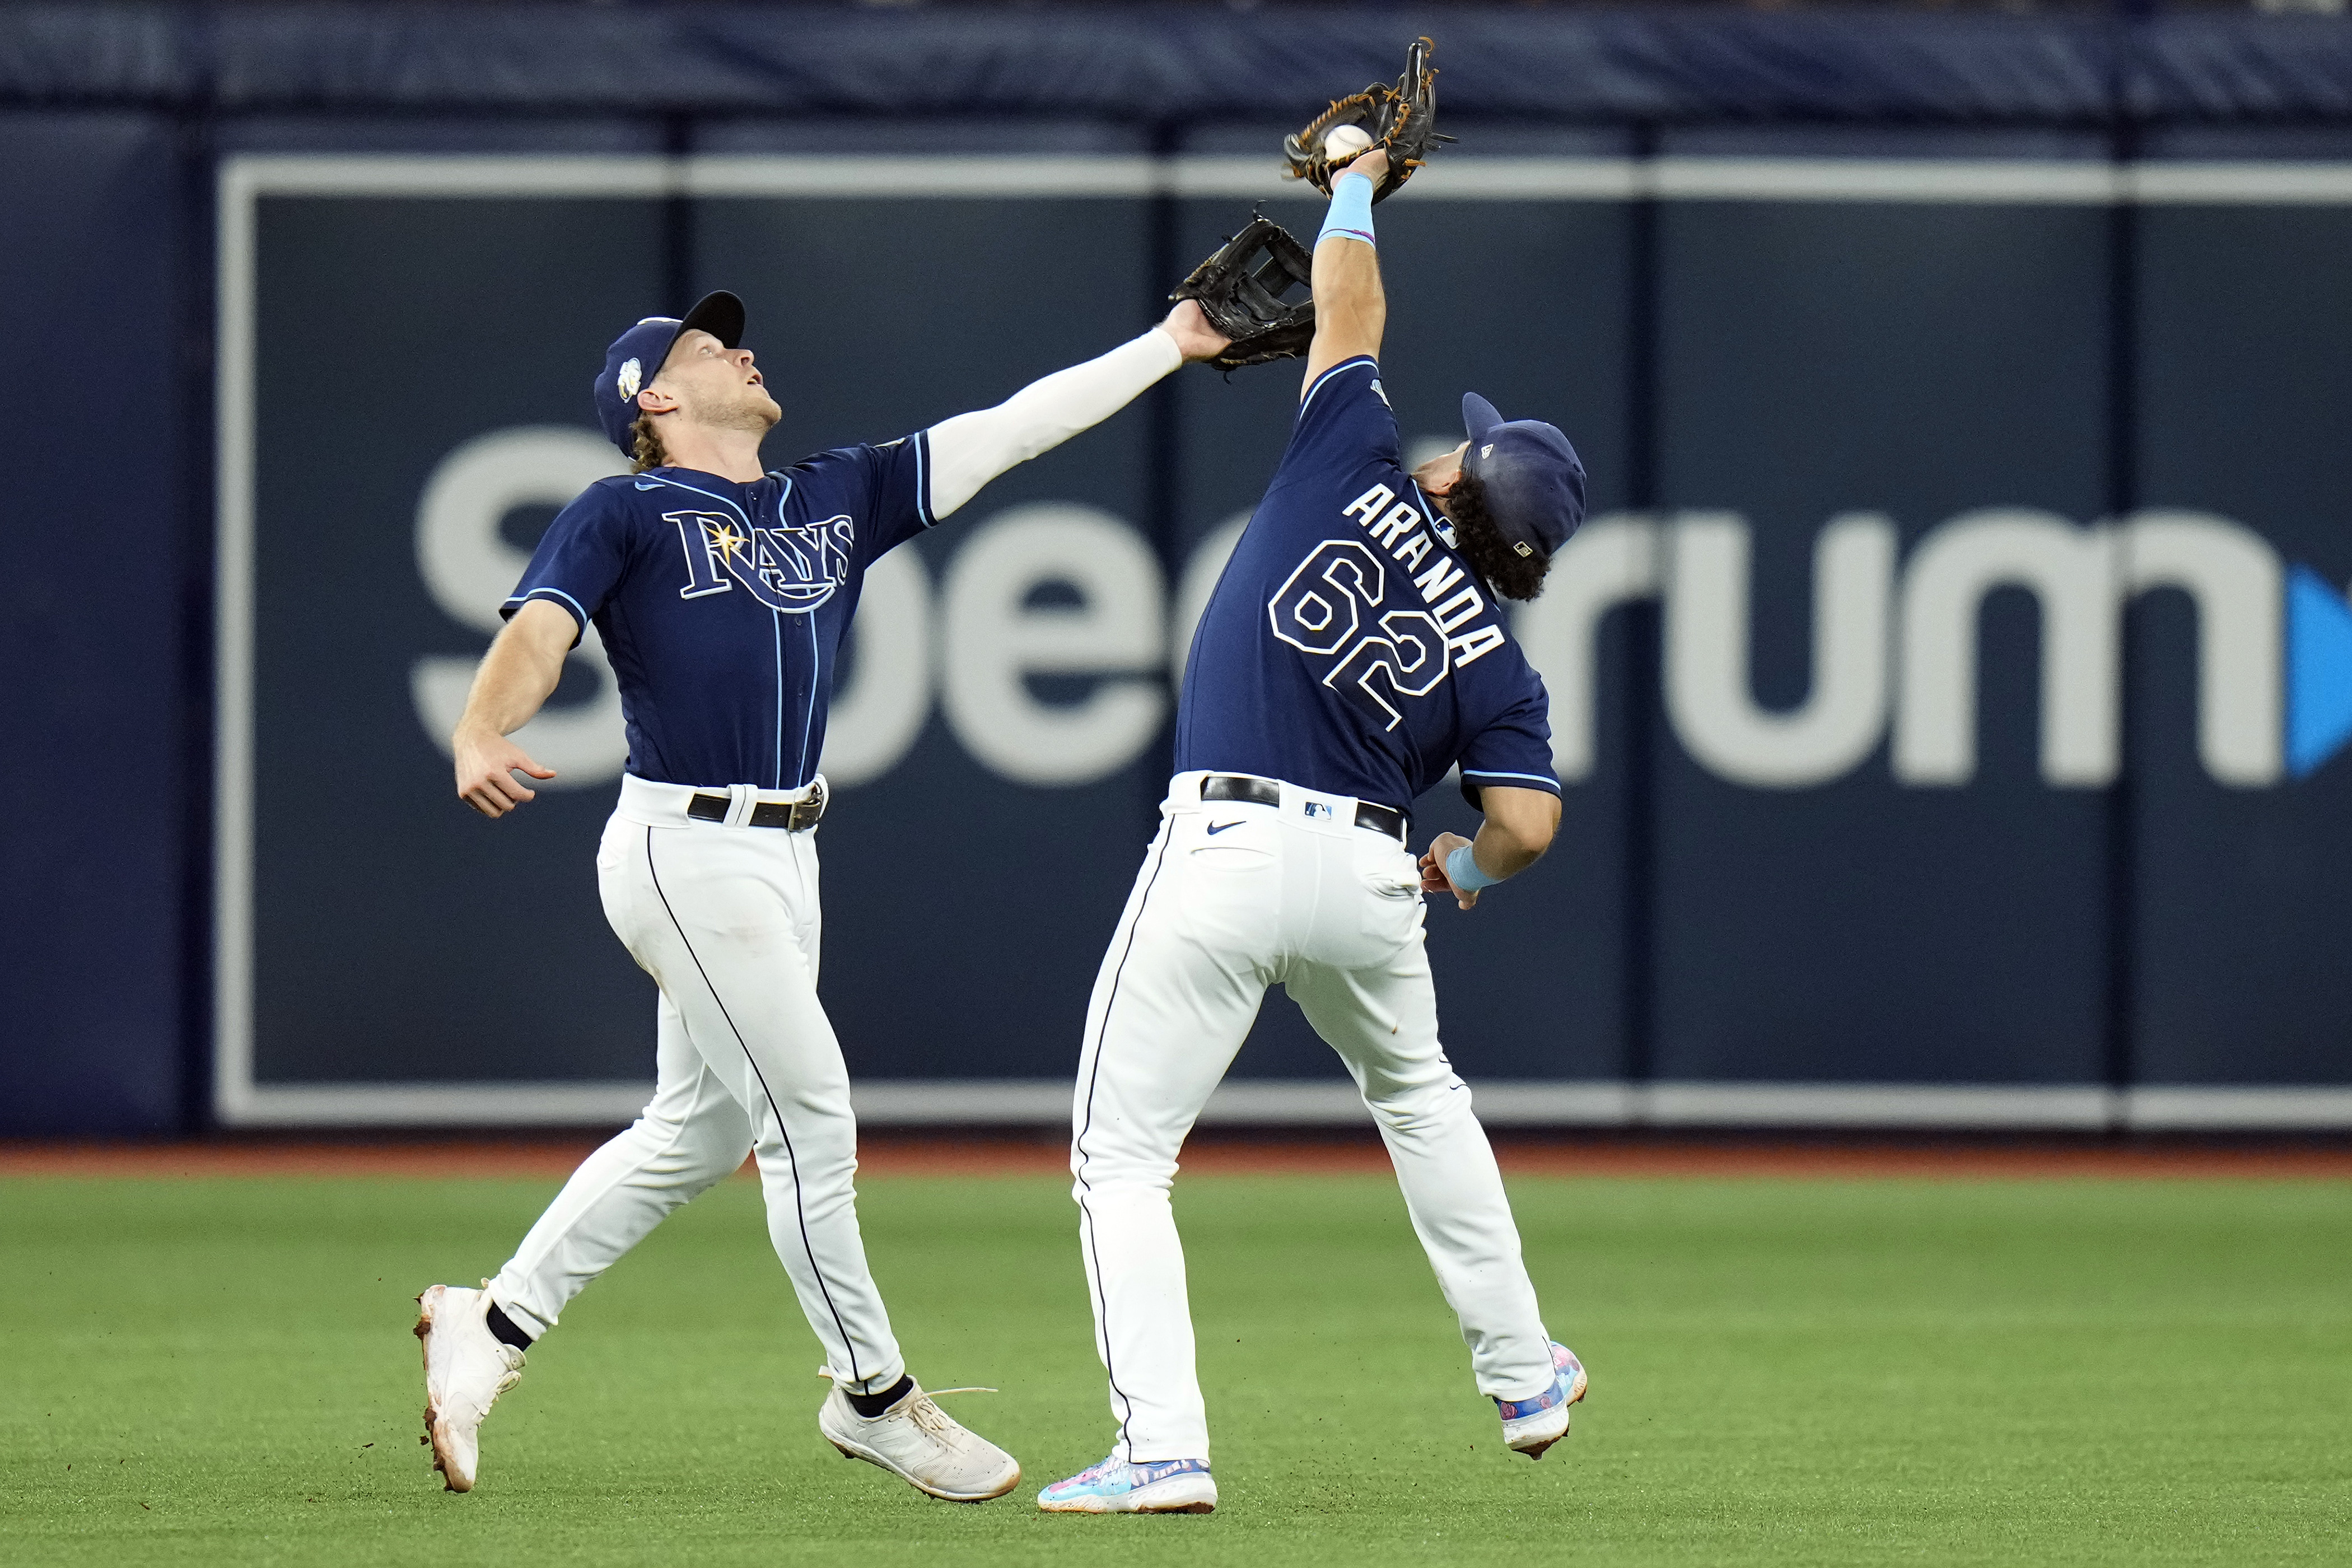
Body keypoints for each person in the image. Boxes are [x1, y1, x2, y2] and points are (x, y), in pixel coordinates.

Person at [414, 288, 1231, 1500]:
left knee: (694, 1132)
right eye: (704, 347)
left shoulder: (827, 494)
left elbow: (1011, 428)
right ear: (657, 399)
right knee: (813, 1121)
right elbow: (542, 625)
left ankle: (492, 1322)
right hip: (683, 849)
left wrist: (1172, 344)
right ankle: (875, 1394)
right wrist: (482, 724)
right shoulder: (625, 508)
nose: (741, 348)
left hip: (785, 851)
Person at [1037, 147, 1591, 1516]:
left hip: (1224, 848)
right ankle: (1524, 1374)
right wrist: (1463, 860)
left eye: (1467, 448)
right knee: (1421, 1097)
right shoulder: (1499, 660)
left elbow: (1350, 311)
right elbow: (1528, 816)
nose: (1449, 444)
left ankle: (1164, 1445)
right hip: (1363, 872)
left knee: (1119, 1157)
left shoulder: (1352, 465)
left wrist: (1354, 183)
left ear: (1464, 482)